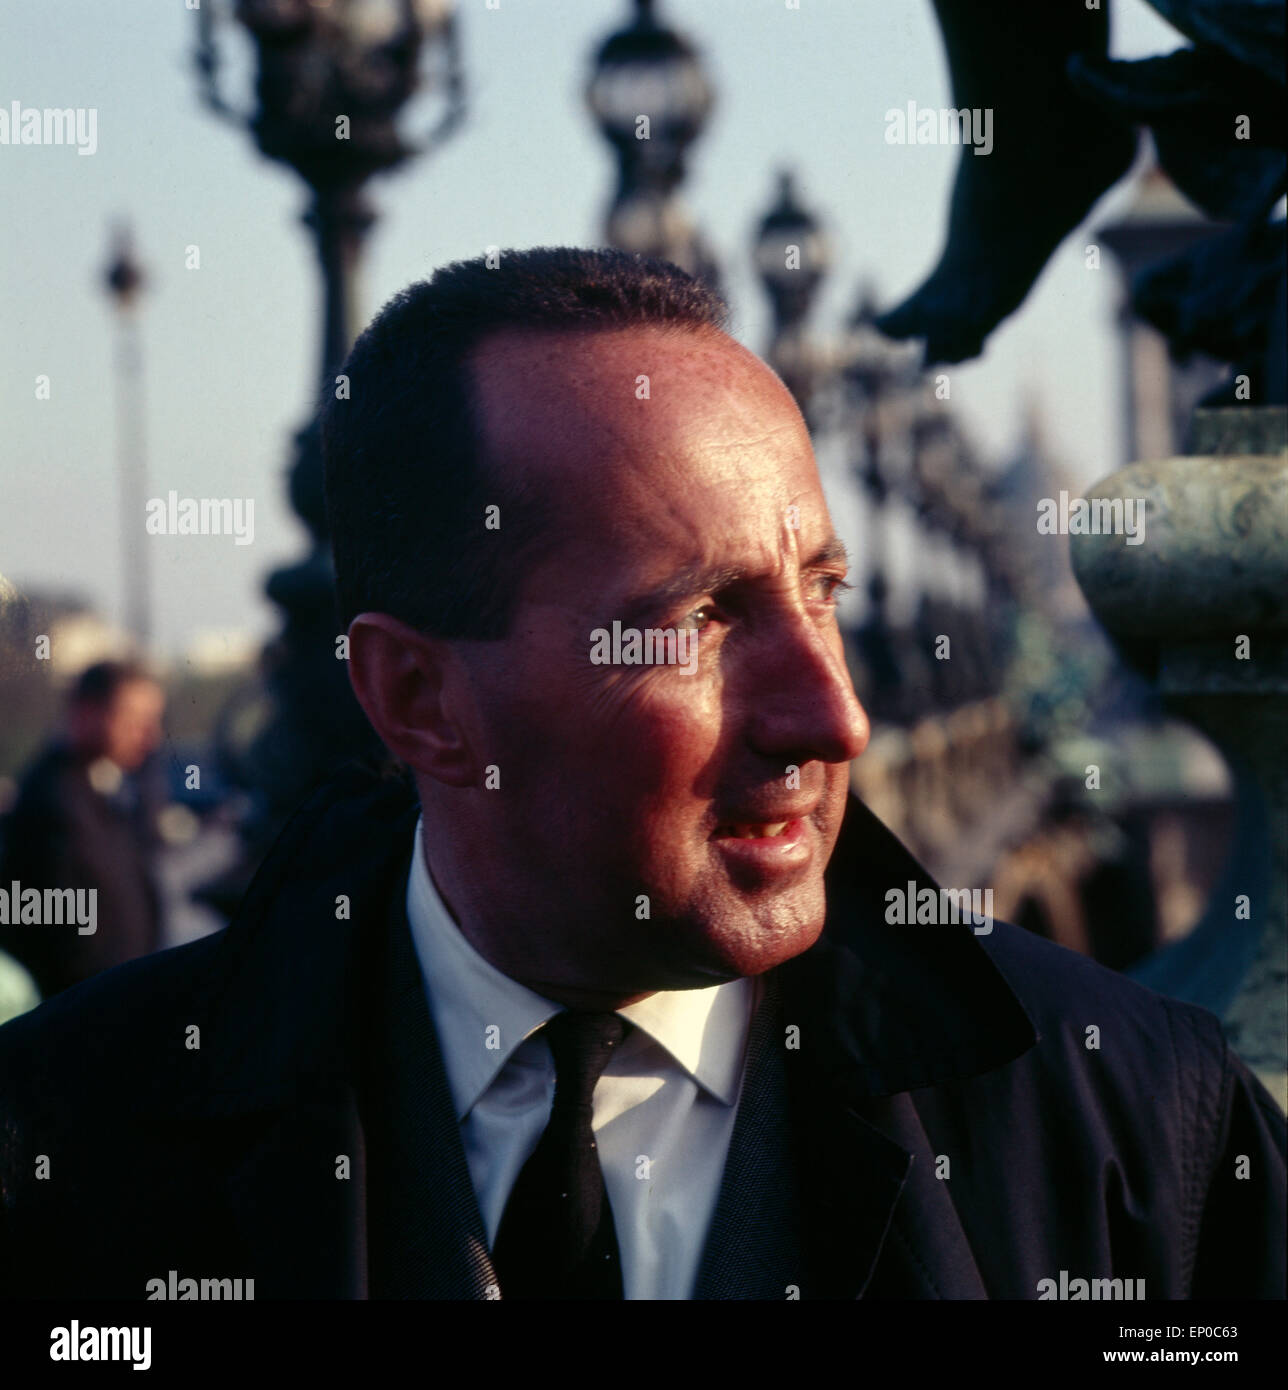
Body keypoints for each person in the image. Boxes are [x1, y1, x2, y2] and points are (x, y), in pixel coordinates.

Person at [0, 250, 1282, 1301]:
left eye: (821, 593)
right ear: (416, 699)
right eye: (702, 621)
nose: (834, 715)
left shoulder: (1129, 1121)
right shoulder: (58, 1149)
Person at [0, 659, 165, 1002]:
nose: (150, 735)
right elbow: (66, 936)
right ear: (86, 713)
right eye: (133, 720)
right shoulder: (54, 801)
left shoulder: (105, 790)